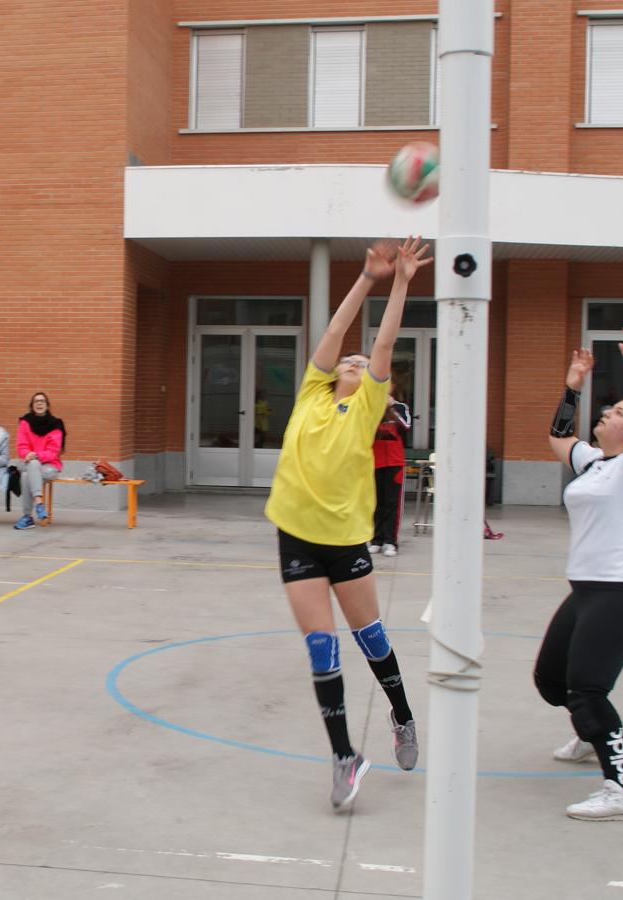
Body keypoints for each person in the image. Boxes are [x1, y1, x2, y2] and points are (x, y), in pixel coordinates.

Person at [264, 236, 431, 811]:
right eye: (351, 362)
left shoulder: (364, 409)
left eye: (366, 365)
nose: (357, 361)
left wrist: (403, 282)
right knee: (321, 648)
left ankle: (403, 715)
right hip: (296, 536)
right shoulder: (312, 392)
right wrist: (366, 278)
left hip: (344, 541)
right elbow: (336, 335)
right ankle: (344, 757)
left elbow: (382, 341)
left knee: (372, 640)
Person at [536, 324, 623, 822]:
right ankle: (591, 734)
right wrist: (572, 384)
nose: (608, 414)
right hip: (586, 590)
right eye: (609, 409)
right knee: (552, 680)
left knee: (588, 687)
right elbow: (557, 437)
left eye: (618, 412)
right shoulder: (593, 462)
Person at [12, 392, 66, 530]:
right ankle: (39, 504)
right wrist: (27, 454)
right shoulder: (25, 422)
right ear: (32, 405)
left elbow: (54, 451)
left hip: (50, 466)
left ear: (47, 405)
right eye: (36, 401)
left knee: (26, 475)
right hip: (28, 462)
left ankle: (27, 517)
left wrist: (34, 455)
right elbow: (21, 446)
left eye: (42, 401)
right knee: (31, 467)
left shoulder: (56, 424)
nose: (39, 403)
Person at [369, 396, 411, 556]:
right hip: (375, 461)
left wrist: (391, 407)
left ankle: (390, 541)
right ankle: (375, 540)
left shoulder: (401, 407)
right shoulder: (370, 406)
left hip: (394, 462)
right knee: (375, 502)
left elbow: (406, 425)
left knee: (392, 503)